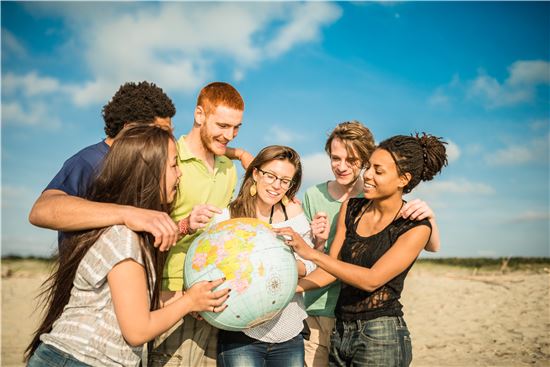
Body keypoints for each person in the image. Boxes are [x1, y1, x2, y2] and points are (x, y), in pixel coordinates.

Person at [25, 124, 230, 367]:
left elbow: (136, 303)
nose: (180, 174)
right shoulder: (124, 238)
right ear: (149, 173)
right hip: (77, 360)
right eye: (174, 165)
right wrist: (189, 303)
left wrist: (190, 297)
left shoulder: (130, 233)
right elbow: (137, 330)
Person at [276, 133, 448, 367]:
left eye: (378, 171)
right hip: (340, 330)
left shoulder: (415, 227)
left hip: (382, 336)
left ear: (403, 179)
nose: (366, 175)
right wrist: (288, 290)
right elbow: (331, 268)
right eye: (368, 167)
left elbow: (371, 280)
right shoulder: (352, 207)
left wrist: (311, 252)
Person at [149, 82, 252, 367]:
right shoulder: (169, 158)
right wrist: (185, 224)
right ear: (199, 115)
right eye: (222, 125)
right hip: (168, 294)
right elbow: (144, 228)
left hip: (212, 297)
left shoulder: (228, 169)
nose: (229, 135)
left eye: (236, 128)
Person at [28, 81, 180, 251]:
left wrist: (182, 227)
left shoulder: (150, 166)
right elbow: (41, 211)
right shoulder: (89, 160)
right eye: (161, 130)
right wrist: (127, 214)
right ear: (129, 128)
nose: (169, 138)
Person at [211, 145, 315, 367]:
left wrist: (281, 263)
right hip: (241, 333)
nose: (277, 186)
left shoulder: (294, 214)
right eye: (271, 176)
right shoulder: (227, 216)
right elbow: (211, 267)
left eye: (285, 181)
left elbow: (310, 264)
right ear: (256, 173)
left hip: (289, 330)